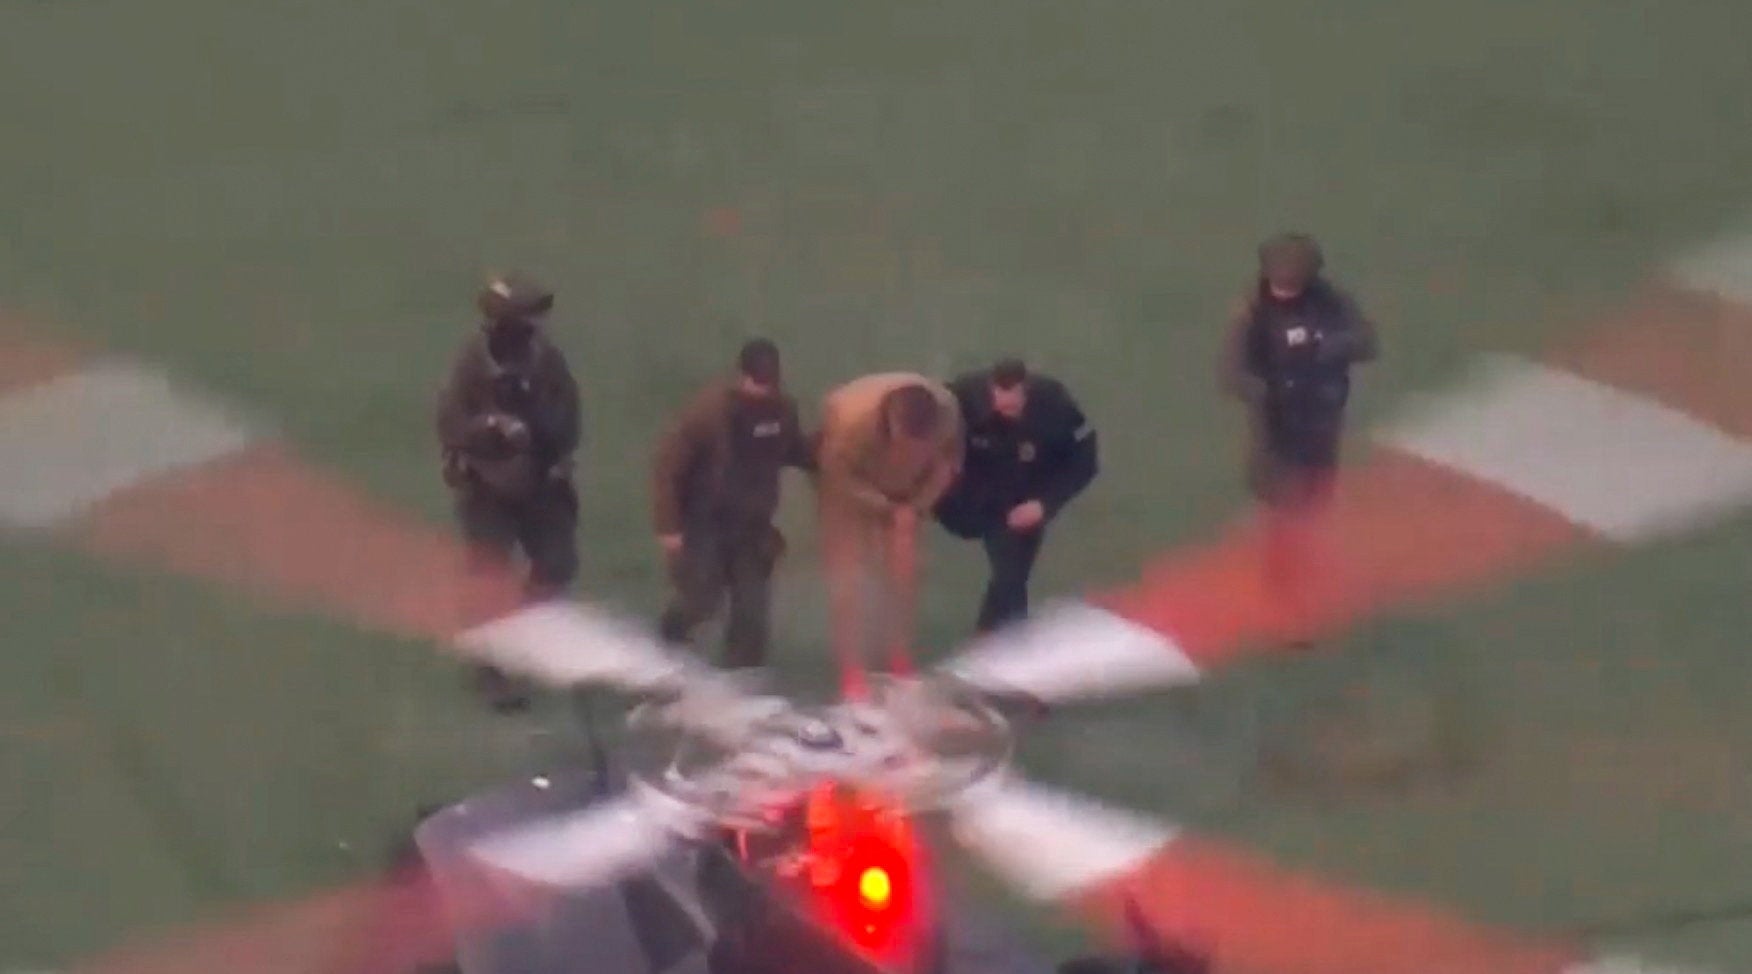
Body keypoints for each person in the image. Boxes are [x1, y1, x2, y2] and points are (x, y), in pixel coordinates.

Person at [435, 273, 582, 710]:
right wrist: (492, 431)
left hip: (541, 484)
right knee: (489, 577)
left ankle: (531, 639)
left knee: (557, 564)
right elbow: (451, 424)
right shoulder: (472, 366)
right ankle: (493, 671)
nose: (539, 324)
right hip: (487, 488)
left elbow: (568, 415)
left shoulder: (546, 362)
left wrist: (542, 438)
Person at [1219, 233, 1378, 612]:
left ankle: (1307, 569)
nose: (1284, 290)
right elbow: (1232, 371)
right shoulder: (1253, 312)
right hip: (1276, 425)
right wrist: (1265, 390)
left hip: (1321, 419)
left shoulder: (1329, 303)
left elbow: (1365, 342)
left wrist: (1322, 344)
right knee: (1276, 500)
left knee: (1315, 498)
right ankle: (1274, 579)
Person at [650, 338, 814, 669]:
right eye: (758, 382)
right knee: (702, 598)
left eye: (770, 382)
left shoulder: (783, 410)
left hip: (752, 526)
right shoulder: (707, 414)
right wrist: (669, 528)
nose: (764, 390)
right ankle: (668, 639)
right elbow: (668, 469)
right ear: (742, 375)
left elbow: (795, 449)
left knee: (752, 609)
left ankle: (742, 677)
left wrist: (827, 460)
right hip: (704, 522)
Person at [814, 373, 963, 691]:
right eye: (907, 444)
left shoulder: (947, 414)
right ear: (892, 424)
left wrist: (917, 506)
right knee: (850, 581)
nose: (914, 452)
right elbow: (837, 476)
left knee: (905, 575)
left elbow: (946, 466)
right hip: (852, 493)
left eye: (921, 447)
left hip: (907, 493)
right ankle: (853, 670)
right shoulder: (850, 423)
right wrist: (884, 506)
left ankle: (899, 657)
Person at [936, 358, 1098, 633]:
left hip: (1026, 499)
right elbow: (930, 423)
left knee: (1012, 575)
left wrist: (1044, 504)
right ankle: (1005, 642)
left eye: (1014, 402)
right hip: (974, 498)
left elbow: (1084, 460)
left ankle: (994, 640)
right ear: (990, 390)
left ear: (1027, 390)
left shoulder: (1054, 403)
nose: (1006, 408)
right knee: (1010, 574)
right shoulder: (961, 396)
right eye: (1000, 401)